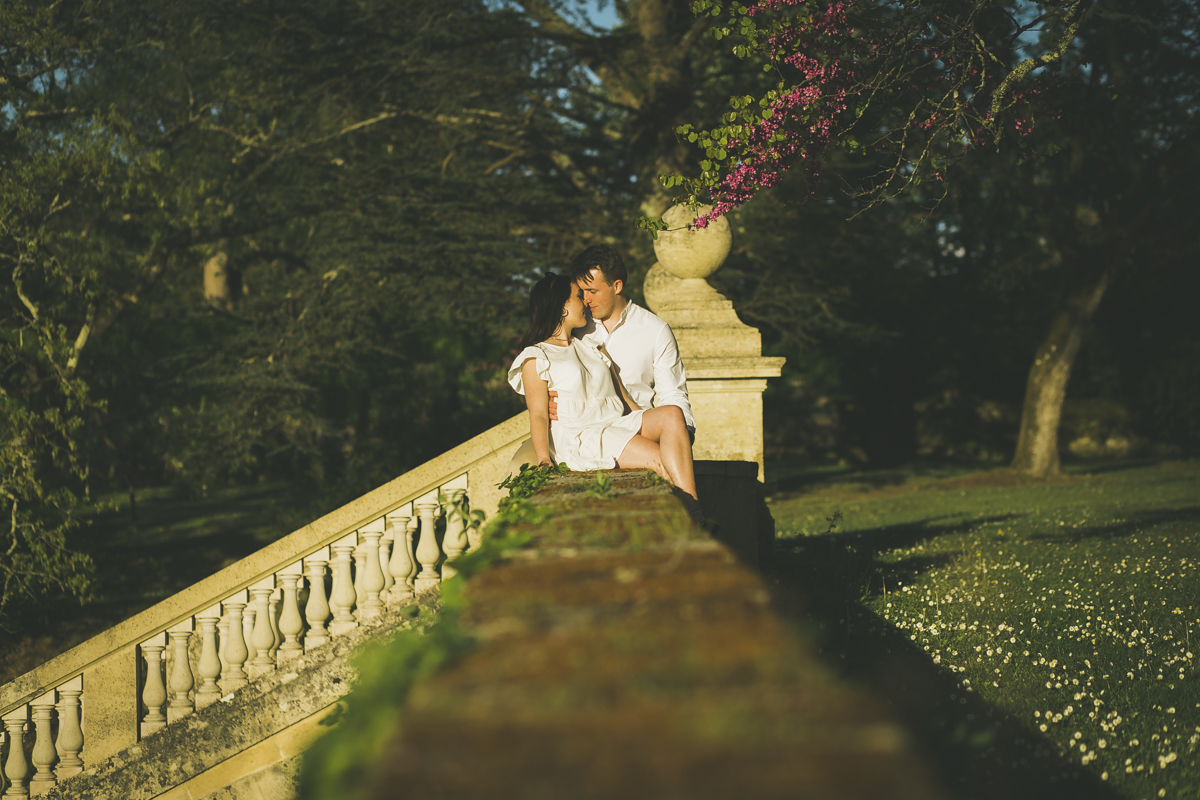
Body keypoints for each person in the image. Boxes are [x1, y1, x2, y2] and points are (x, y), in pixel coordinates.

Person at [508, 274, 699, 508]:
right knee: (661, 460)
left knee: (672, 413)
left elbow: (621, 397)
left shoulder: (592, 347)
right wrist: (543, 459)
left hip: (614, 424)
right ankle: (694, 513)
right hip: (582, 436)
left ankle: (694, 509)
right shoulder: (537, 356)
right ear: (562, 308)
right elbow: (538, 414)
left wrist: (649, 425)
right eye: (578, 296)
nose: (585, 302)